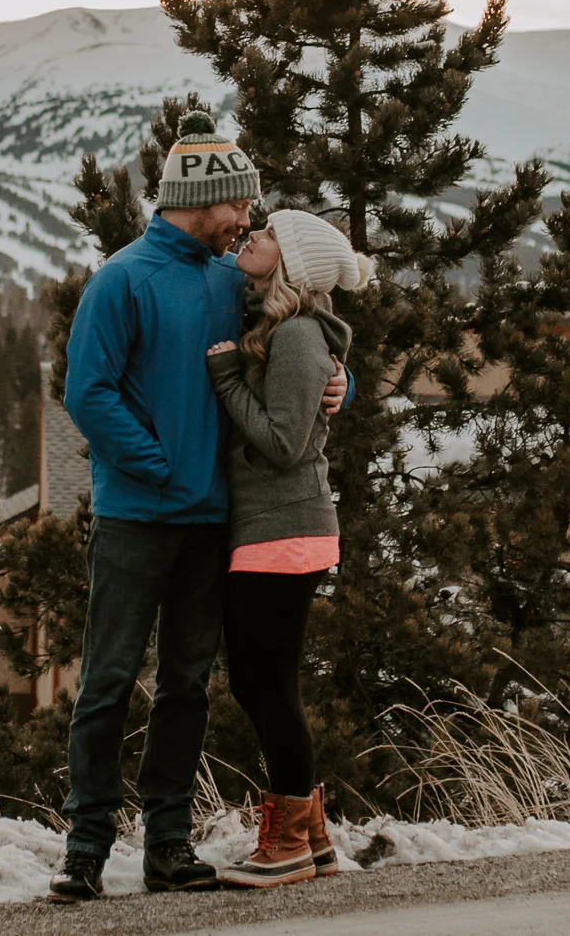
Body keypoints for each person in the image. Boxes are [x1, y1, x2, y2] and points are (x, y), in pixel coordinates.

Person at [50, 113, 346, 902]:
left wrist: (337, 383)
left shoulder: (230, 285)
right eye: (239, 205)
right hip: (135, 517)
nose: (247, 219)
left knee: (185, 686)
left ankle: (169, 844)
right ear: (202, 200)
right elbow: (88, 393)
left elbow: (299, 339)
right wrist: (159, 468)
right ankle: (84, 849)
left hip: (213, 524)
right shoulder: (121, 281)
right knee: (108, 683)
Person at [204, 209, 370, 887]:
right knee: (263, 682)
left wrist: (227, 380)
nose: (253, 235)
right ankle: (311, 835)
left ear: (291, 263)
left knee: (264, 684)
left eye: (269, 233)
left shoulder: (298, 334)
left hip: (285, 528)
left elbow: (283, 443)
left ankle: (289, 842)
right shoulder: (277, 327)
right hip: (269, 527)